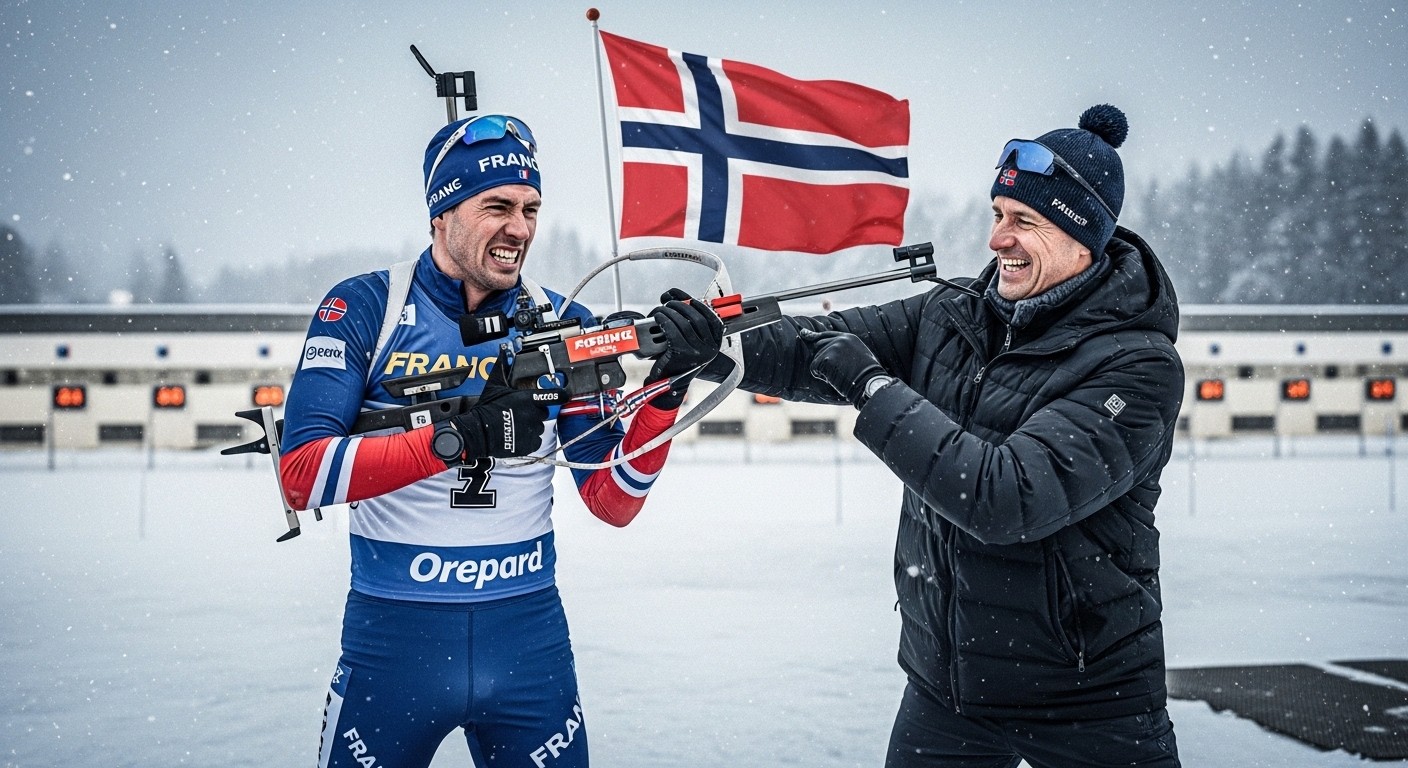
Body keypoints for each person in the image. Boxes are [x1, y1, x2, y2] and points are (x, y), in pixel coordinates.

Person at [703, 104, 1184, 767]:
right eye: (997, 215)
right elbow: (812, 345)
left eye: (1025, 222)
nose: (997, 240)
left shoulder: (1136, 365)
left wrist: (872, 389)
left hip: (1089, 698)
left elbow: (1006, 498)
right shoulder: (951, 312)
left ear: (1084, 238)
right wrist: (707, 344)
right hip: (949, 690)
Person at [277, 114, 722, 768]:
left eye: (531, 208)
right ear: (441, 214)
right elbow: (303, 473)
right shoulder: (364, 307)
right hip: (394, 641)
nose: (520, 228)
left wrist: (667, 387)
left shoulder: (564, 323)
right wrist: (457, 438)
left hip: (529, 642)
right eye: (497, 207)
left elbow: (612, 498)